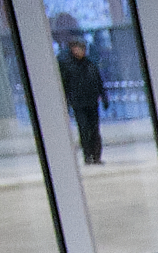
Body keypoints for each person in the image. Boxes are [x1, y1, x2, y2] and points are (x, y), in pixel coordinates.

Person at [56, 33, 104, 167]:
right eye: (78, 48)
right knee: (84, 129)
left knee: (94, 129)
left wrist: (104, 97)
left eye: (82, 48)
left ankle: (96, 156)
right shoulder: (67, 65)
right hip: (78, 103)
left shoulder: (90, 64)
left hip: (92, 102)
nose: (81, 51)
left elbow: (98, 81)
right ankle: (88, 155)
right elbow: (65, 85)